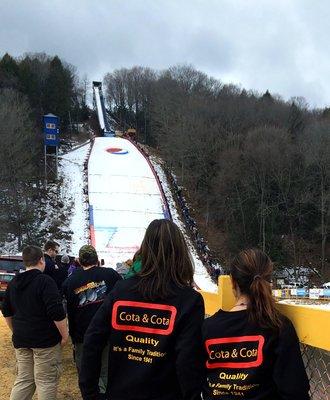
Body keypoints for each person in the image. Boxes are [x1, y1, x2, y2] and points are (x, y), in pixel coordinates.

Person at [79, 219, 205, 400]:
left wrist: (90, 392)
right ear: (181, 253)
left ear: (145, 249)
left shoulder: (121, 290)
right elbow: (187, 362)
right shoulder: (189, 300)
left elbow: (92, 340)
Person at [202, 248, 310, 400]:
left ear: (233, 282)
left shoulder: (208, 328)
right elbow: (295, 391)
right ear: (269, 282)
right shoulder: (278, 326)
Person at [1, 245, 68, 400]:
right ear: (41, 260)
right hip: (45, 341)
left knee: (24, 380)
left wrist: (15, 331)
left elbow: (6, 311)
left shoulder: (14, 282)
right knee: (46, 381)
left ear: (25, 262)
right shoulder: (45, 281)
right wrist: (64, 335)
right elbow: (57, 312)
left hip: (22, 340)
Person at [62, 245, 122, 397]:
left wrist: (73, 337)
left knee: (88, 375)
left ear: (80, 261)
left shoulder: (70, 281)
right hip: (109, 333)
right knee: (107, 372)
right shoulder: (111, 274)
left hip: (83, 336)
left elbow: (68, 311)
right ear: (97, 258)